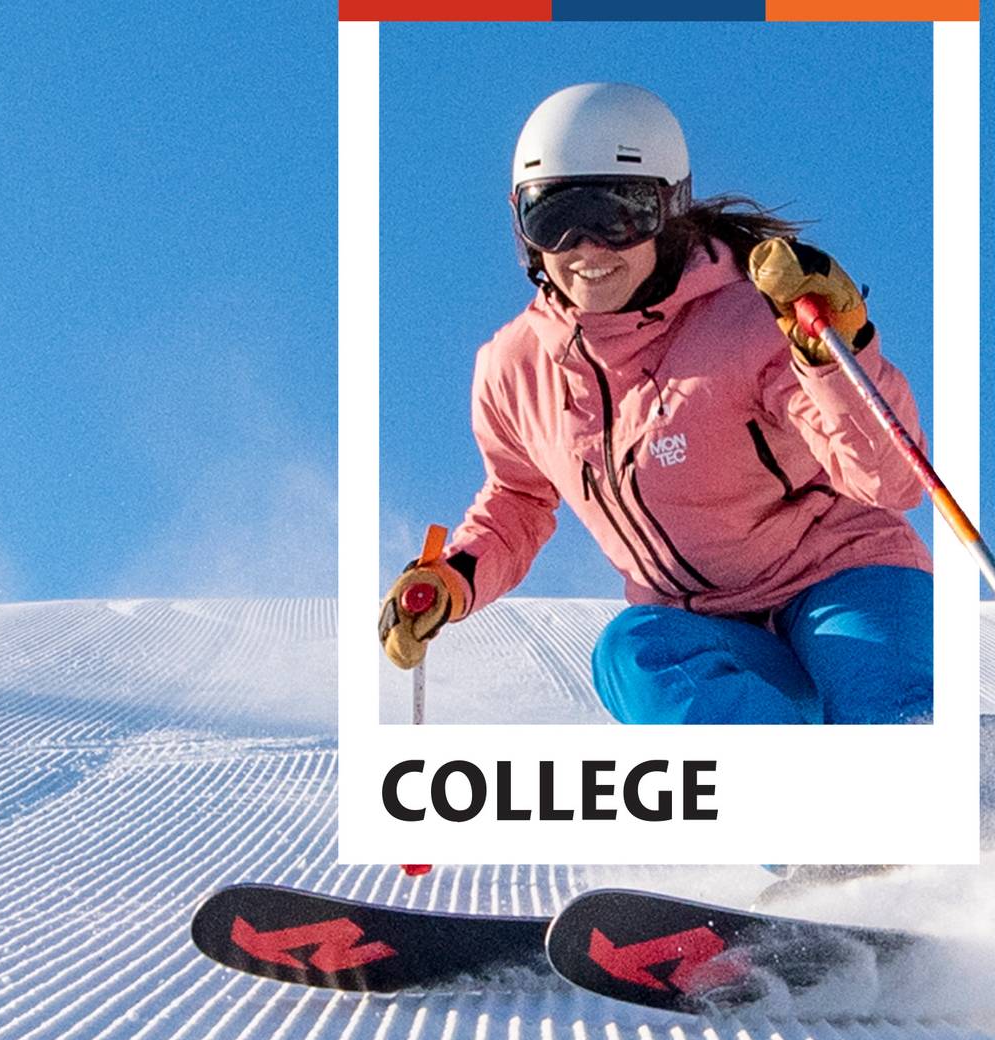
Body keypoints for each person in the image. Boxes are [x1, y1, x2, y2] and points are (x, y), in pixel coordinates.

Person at [378, 82, 934, 724]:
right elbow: (518, 500)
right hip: (705, 633)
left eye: (619, 217)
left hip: (846, 582)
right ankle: (774, 784)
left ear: (670, 208)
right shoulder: (515, 370)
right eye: (553, 219)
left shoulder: (751, 320)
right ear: (522, 224)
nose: (587, 249)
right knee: (632, 652)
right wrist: (455, 577)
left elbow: (891, 482)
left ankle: (959, 777)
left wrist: (833, 356)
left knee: (884, 711)